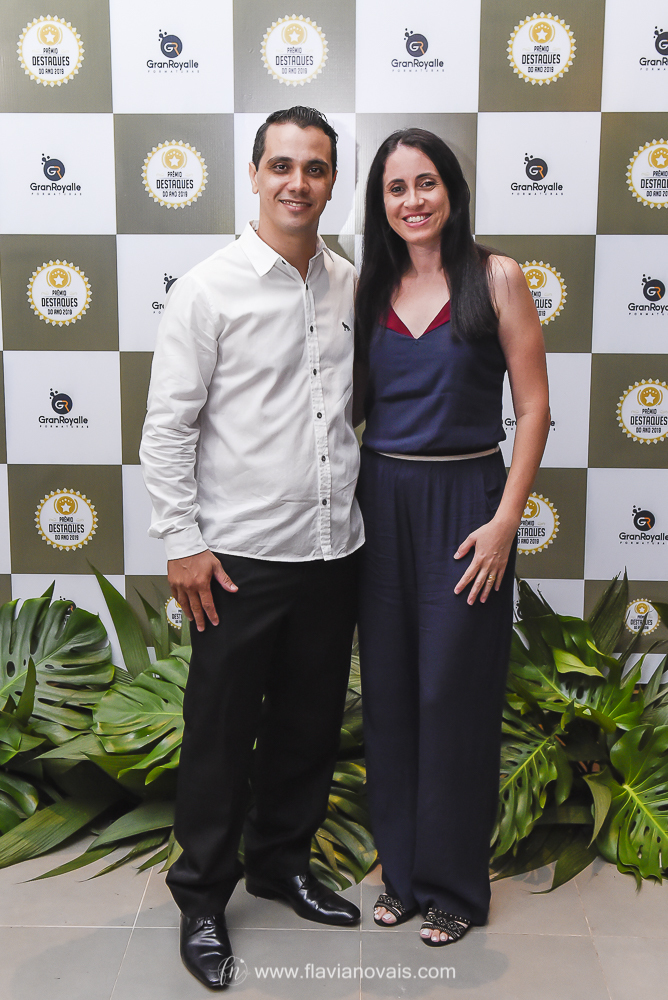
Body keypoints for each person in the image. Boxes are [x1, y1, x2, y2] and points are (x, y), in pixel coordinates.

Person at [140, 106, 363, 990]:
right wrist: (182, 542)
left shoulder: (351, 285)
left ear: (333, 181)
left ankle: (281, 865)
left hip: (333, 551)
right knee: (222, 735)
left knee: (309, 726)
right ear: (255, 173)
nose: (297, 183)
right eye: (282, 165)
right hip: (237, 559)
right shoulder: (209, 288)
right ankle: (201, 898)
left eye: (315, 168)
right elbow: (168, 427)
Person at [353, 128, 550, 946]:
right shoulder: (368, 284)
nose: (413, 200)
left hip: (469, 504)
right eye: (396, 187)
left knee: (454, 697)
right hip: (380, 499)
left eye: (426, 182)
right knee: (391, 694)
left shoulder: (496, 276)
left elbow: (533, 408)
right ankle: (401, 876)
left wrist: (505, 522)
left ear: (452, 190)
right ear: (380, 202)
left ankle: (454, 888)